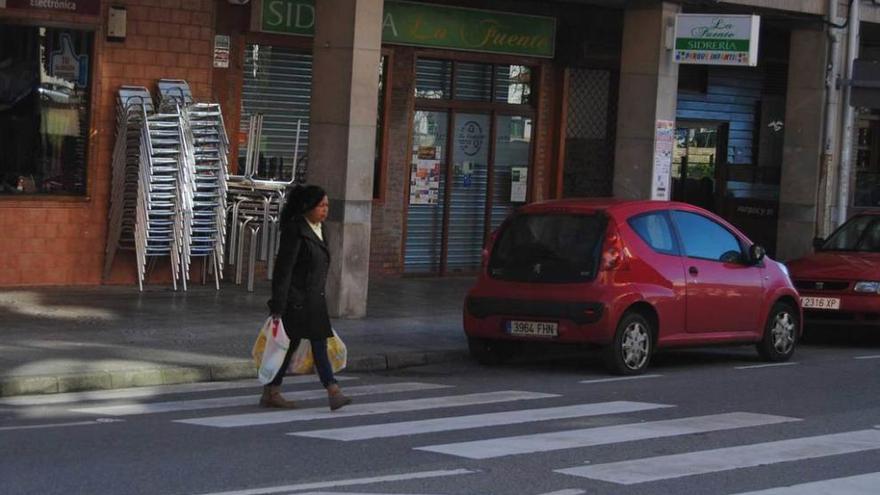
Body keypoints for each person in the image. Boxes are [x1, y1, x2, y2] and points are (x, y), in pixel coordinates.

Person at [263, 184, 352, 411]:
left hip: (314, 299)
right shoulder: (296, 230)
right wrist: (278, 305)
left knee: (302, 345)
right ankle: (332, 390)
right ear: (307, 206)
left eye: (327, 205)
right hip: (297, 300)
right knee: (304, 345)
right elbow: (284, 270)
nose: (325, 210)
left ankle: (272, 390)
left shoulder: (321, 229)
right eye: (321, 205)